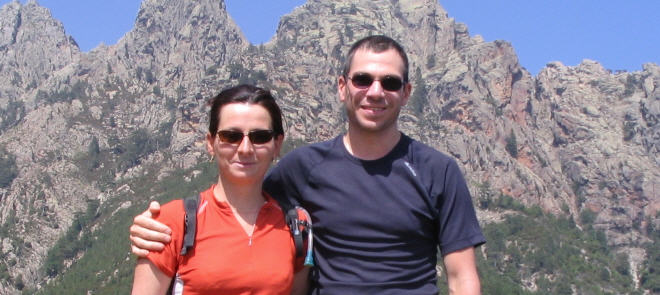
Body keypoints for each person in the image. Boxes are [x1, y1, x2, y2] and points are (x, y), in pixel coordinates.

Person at [130, 35, 485, 294]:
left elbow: (462, 277)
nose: (375, 91)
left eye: (389, 82)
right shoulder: (303, 167)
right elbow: (240, 195)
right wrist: (154, 228)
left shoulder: (438, 170)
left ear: (406, 93)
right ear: (343, 87)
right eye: (363, 79)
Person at [131, 85, 309, 295]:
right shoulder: (172, 223)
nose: (245, 149)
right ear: (210, 143)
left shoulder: (296, 225)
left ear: (277, 144)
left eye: (260, 137)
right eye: (230, 136)